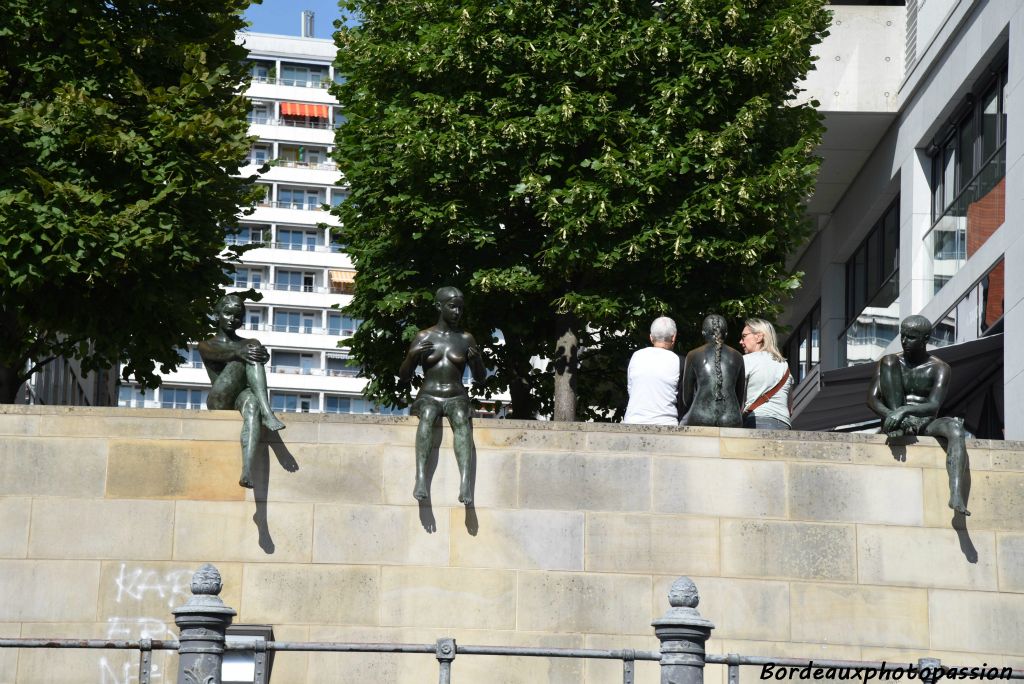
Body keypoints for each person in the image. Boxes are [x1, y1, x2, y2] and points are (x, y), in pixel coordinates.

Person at [867, 315, 969, 515]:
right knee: (889, 361)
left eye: (911, 337)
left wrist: (905, 411)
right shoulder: (890, 362)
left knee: (956, 429)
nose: (904, 341)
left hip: (925, 422)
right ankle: (897, 426)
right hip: (896, 420)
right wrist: (893, 416)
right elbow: (872, 399)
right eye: (902, 336)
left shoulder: (940, 368)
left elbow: (933, 405)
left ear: (925, 339)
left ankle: (956, 493)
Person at [399, 286, 486, 505]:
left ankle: (465, 482)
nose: (457, 312)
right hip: (428, 395)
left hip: (456, 395)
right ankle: (420, 477)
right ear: (439, 307)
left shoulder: (466, 338)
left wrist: (476, 361)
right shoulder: (424, 336)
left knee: (460, 418)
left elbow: (480, 378)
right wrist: (411, 357)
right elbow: (404, 377)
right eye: (452, 307)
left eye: (460, 308)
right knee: (427, 414)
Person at [199, 294, 286, 488]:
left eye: (237, 316)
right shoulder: (206, 344)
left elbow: (247, 353)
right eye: (228, 313)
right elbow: (220, 354)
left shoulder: (246, 344)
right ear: (217, 315)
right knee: (249, 348)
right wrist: (244, 352)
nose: (232, 319)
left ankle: (247, 470)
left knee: (252, 405)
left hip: (242, 395)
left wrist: (260, 356)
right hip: (219, 398)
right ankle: (268, 411)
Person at [681, 314, 744, 427]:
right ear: (726, 334)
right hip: (732, 419)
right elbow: (740, 397)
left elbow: (686, 399)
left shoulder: (693, 355)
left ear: (703, 333)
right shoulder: (738, 356)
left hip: (699, 416)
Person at [623, 316, 680, 425]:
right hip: (666, 423)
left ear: (651, 337)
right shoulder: (678, 361)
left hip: (633, 422)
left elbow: (630, 389)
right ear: (674, 337)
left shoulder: (636, 356)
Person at [739, 318, 792, 430]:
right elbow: (790, 406)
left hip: (756, 421)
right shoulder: (784, 365)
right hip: (784, 424)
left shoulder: (746, 360)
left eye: (744, 336)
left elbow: (737, 399)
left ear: (759, 337)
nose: (741, 342)